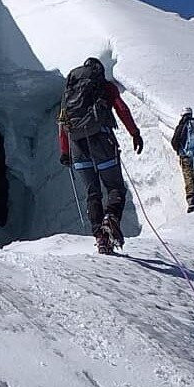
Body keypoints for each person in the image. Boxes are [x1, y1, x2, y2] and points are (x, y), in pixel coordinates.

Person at [58, 57, 143, 254]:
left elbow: (62, 122)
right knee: (114, 188)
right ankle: (110, 218)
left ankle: (100, 238)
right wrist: (135, 133)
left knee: (92, 193)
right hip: (102, 141)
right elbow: (122, 108)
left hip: (77, 146)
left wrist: (64, 151)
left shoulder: (68, 92)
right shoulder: (104, 86)